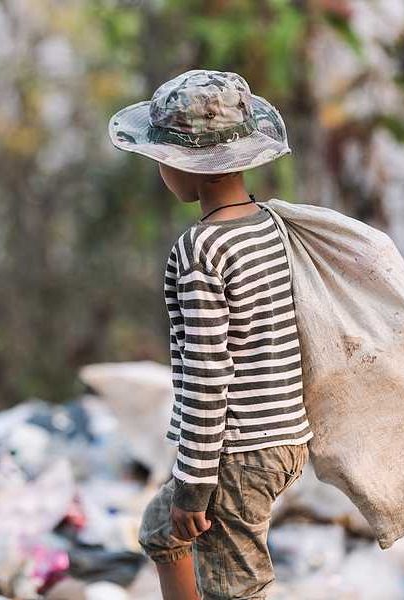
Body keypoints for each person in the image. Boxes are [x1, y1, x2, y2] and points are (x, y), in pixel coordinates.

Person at [108, 69, 313, 600]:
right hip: (284, 435)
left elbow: (206, 376)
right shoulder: (270, 226)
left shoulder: (201, 251)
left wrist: (195, 486)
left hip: (237, 451)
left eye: (160, 158)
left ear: (183, 165)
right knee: (163, 532)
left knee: (235, 587)